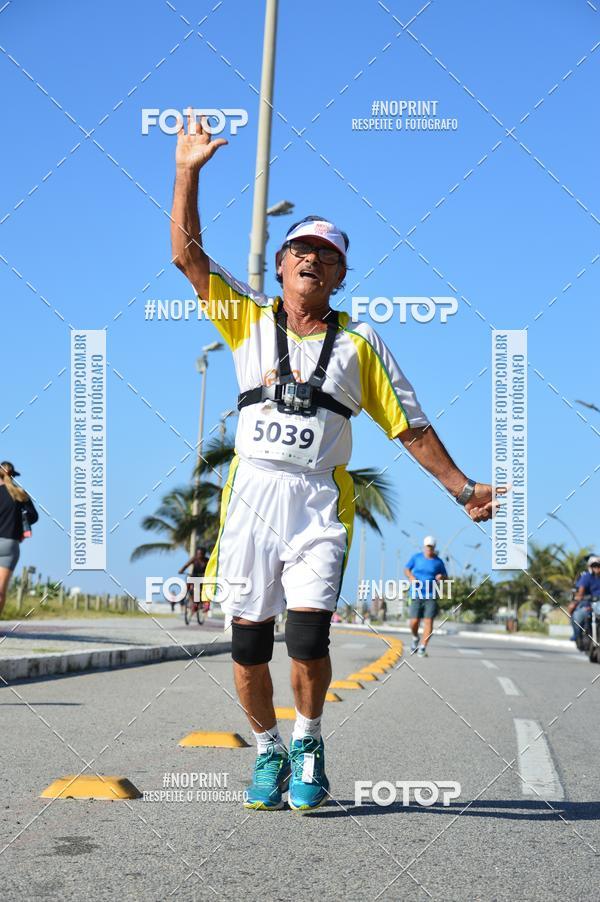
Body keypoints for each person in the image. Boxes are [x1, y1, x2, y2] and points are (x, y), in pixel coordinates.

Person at [170, 111, 495, 812]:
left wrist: (462, 486)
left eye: (327, 254)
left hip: (320, 498)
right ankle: (267, 752)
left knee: (309, 635)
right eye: (300, 250)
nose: (312, 259)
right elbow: (188, 256)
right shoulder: (247, 319)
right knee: (249, 647)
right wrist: (188, 172)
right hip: (252, 498)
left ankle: (309, 740)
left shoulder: (362, 344)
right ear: (281, 265)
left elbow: (408, 426)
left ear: (341, 274)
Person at [0, 461, 38, 616]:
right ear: (13, 475)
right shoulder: (20, 493)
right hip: (10, 544)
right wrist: (18, 525)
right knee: (1, 590)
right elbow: (33, 516)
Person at [405, 536, 448, 657]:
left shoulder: (438, 562)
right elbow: (406, 569)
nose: (429, 549)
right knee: (414, 622)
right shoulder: (416, 558)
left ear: (434, 548)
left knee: (428, 622)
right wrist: (411, 577)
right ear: (424, 547)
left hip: (431, 595)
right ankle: (415, 638)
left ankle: (423, 647)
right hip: (416, 593)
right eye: (427, 547)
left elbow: (445, 576)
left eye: (431, 547)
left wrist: (441, 577)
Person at [569, 556, 600, 645]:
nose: (597, 568)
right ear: (590, 567)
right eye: (594, 566)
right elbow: (581, 591)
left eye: (598, 566)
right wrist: (580, 597)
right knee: (577, 616)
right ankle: (577, 634)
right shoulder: (586, 577)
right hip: (589, 604)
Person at [178, 547, 208, 613]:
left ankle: (201, 603)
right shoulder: (194, 559)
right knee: (187, 585)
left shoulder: (207, 561)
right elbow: (186, 565)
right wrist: (181, 570)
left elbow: (210, 570)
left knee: (201, 590)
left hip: (202, 578)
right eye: (198, 554)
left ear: (204, 554)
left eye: (201, 554)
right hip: (194, 576)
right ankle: (182, 599)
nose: (199, 555)